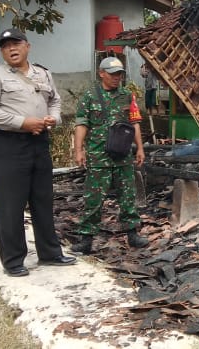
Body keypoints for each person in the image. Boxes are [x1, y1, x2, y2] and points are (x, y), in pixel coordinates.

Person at [0, 28, 76, 277]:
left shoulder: (42, 73)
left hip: (39, 143)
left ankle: (50, 253)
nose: (12, 48)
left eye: (16, 43)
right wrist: (22, 122)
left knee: (42, 200)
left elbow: (55, 100)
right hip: (6, 145)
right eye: (6, 45)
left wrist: (53, 119)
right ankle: (13, 260)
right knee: (10, 205)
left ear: (27, 46)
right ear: (1, 51)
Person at [71, 57, 147, 254]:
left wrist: (139, 148)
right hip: (98, 156)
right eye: (113, 74)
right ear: (101, 73)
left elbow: (135, 123)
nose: (117, 78)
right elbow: (82, 124)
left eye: (119, 74)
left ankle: (132, 234)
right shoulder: (89, 96)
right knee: (93, 199)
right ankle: (86, 239)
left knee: (128, 197)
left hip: (122, 156)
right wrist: (79, 150)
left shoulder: (127, 96)